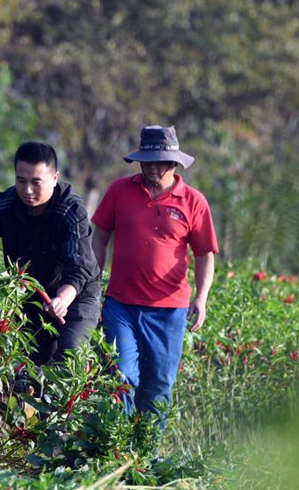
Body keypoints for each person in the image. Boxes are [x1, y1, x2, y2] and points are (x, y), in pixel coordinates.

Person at [90, 125, 218, 432]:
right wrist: (93, 286)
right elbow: (99, 239)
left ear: (174, 163)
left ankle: (145, 456)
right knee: (120, 376)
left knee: (158, 385)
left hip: (169, 310)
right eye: (148, 161)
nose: (153, 167)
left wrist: (201, 298)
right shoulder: (119, 191)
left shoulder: (194, 201)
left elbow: (204, 255)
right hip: (120, 304)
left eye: (160, 161)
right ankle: (119, 449)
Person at [0, 141, 101, 367]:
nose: (27, 190)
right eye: (21, 181)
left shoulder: (71, 209)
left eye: (36, 182)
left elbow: (79, 267)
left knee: (70, 353)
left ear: (55, 178)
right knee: (20, 364)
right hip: (28, 294)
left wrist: (62, 300)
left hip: (75, 294)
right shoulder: (2, 204)